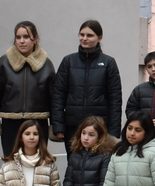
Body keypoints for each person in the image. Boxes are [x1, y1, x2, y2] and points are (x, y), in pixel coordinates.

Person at [0, 21, 57, 156]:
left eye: (26, 37)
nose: (22, 41)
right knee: (12, 161)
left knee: (36, 161)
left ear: (35, 38)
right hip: (11, 124)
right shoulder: (3, 63)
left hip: (37, 124)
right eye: (18, 37)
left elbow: (54, 99)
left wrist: (56, 125)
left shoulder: (46, 65)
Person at [51, 19, 123, 153]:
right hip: (73, 126)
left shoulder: (108, 63)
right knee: (74, 162)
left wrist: (113, 131)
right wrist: (58, 125)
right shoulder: (68, 61)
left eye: (89, 35)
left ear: (99, 38)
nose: (84, 38)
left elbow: (115, 99)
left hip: (99, 127)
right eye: (81, 34)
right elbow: (58, 95)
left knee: (97, 163)